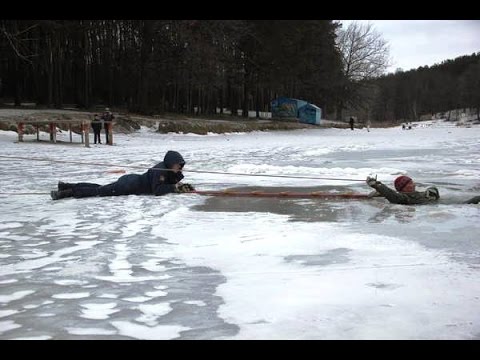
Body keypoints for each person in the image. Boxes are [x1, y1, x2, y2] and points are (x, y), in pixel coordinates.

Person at [50, 150, 195, 200]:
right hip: (129, 186)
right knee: (98, 191)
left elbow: (167, 183)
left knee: (101, 187)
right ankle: (66, 193)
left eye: (180, 165)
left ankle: (65, 186)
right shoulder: (161, 171)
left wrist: (178, 185)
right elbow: (157, 190)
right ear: (171, 163)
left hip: (131, 180)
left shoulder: (166, 169)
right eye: (178, 165)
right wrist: (174, 187)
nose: (179, 167)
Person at [366, 175, 440, 205]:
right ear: (403, 187)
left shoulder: (416, 194)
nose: (414, 185)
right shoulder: (404, 198)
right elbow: (394, 196)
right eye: (410, 183)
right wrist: (377, 186)